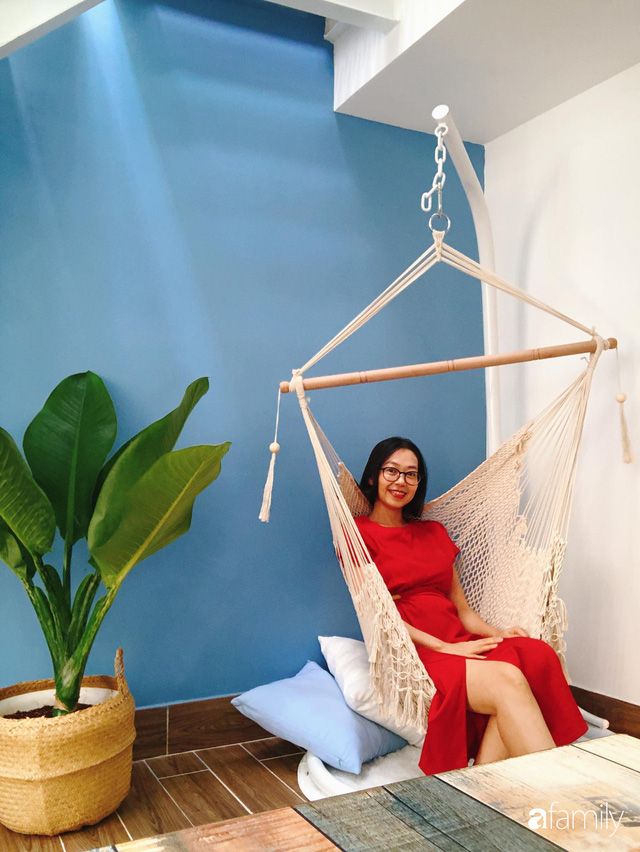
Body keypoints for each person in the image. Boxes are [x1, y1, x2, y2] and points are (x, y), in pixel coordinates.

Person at [355, 436, 588, 775]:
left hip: (458, 639)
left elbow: (462, 610)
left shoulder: (433, 532)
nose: (400, 481)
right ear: (373, 476)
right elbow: (378, 615)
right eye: (391, 471)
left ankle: (481, 777)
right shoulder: (358, 535)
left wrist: (498, 634)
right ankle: (557, 790)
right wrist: (444, 648)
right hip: (415, 653)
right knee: (508, 679)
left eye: (411, 474)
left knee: (537, 654)